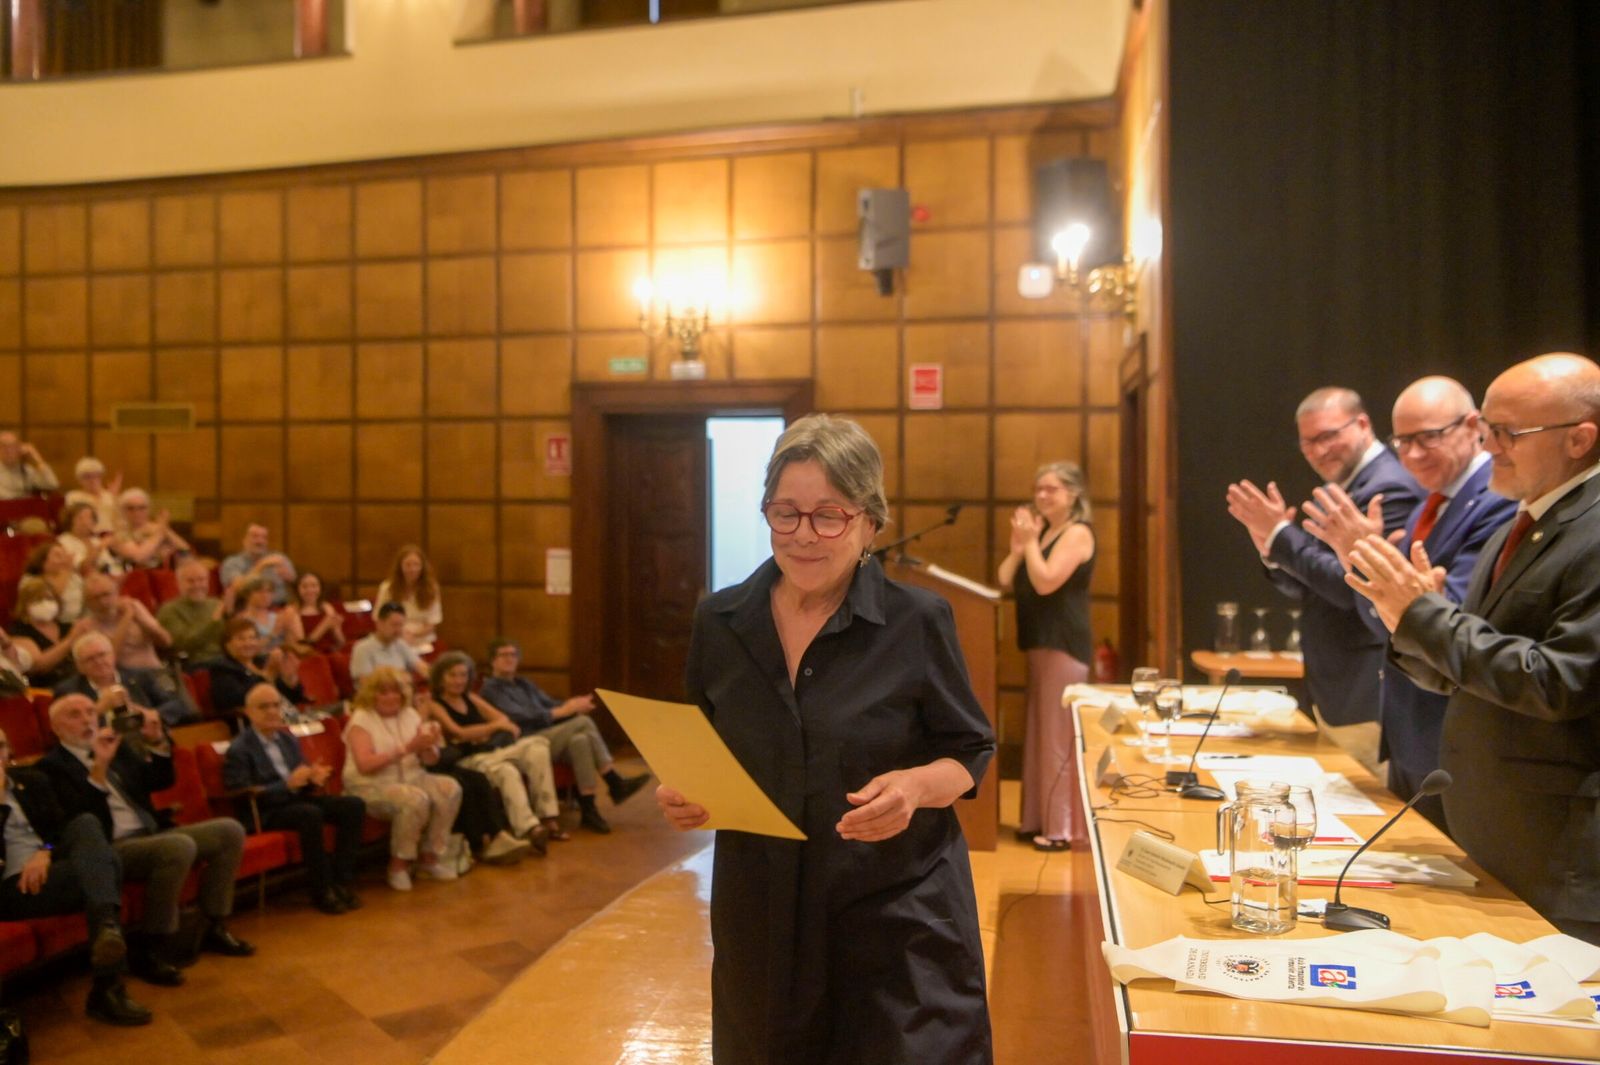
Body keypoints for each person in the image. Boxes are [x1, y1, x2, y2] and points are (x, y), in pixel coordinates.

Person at [655, 413, 995, 1065]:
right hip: (764, 914)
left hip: (894, 913)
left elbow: (970, 751)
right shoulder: (721, 621)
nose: (803, 535)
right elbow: (701, 746)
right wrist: (684, 792)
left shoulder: (917, 621)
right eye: (785, 513)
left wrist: (914, 787)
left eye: (827, 515)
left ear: (869, 520)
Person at [1345, 352, 1600, 945]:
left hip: (1562, 854)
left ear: (1579, 439)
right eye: (1487, 428)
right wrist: (1407, 622)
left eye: (1509, 431)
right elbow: (1474, 669)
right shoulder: (1527, 518)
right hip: (1501, 837)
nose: (1490, 445)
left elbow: (1557, 682)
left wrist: (1425, 618)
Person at [1300, 376, 1515, 831]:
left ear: (1473, 425)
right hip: (1409, 731)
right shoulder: (1429, 505)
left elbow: (1454, 616)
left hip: (1448, 733)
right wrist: (1364, 559)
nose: (1412, 455)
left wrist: (1365, 552)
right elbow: (1385, 618)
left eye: (1428, 438)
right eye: (1403, 441)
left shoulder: (1497, 503)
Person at [1226, 386, 1422, 774]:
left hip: (1369, 687)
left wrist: (1283, 535)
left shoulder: (1388, 486)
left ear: (1363, 424)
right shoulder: (1345, 488)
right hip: (1338, 687)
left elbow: (1355, 590)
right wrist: (1272, 547)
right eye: (1307, 443)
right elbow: (1310, 586)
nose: (1318, 451)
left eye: (1328, 436)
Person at [40, 694, 253, 986]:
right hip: (109, 850)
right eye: (74, 715)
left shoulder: (117, 746)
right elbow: (79, 824)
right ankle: (151, 946)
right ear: (55, 727)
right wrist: (99, 768)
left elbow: (160, 780)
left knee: (230, 830)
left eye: (90, 711)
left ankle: (212, 925)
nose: (87, 719)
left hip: (149, 833)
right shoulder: (50, 768)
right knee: (178, 847)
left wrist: (157, 742)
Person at [1, 727, 151, 1026]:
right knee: (107, 864)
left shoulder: (31, 782)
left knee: (85, 823)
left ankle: (107, 943)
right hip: (12, 887)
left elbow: (60, 828)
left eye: (1, 746)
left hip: (53, 872)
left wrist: (45, 851)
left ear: (8, 752)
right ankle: (107, 988)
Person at [996, 461, 1095, 852]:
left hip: (1063, 643)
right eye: (1038, 489)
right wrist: (1020, 547)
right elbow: (1006, 577)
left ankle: (1062, 829)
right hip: (1038, 641)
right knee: (1039, 732)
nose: (1041, 496)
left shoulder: (1078, 533)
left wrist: (1031, 544)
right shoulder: (1045, 533)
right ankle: (1036, 819)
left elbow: (1047, 580)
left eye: (1050, 490)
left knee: (1057, 736)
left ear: (1072, 494)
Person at [479, 639, 651, 834]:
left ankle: (589, 809)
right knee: (583, 723)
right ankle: (613, 779)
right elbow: (519, 719)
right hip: (524, 742)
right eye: (504, 655)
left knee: (581, 741)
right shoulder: (491, 689)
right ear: (493, 660)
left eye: (513, 655)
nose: (510, 659)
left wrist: (572, 705)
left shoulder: (523, 683)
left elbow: (550, 704)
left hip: (547, 735)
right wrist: (564, 711)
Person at [223, 683, 366, 915]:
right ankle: (321, 890)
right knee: (309, 814)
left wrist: (313, 777)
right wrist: (286, 784)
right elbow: (240, 792)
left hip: (295, 800)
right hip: (266, 810)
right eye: (263, 707)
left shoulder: (287, 739)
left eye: (275, 705)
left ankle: (340, 880)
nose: (271, 711)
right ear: (248, 713)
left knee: (352, 805)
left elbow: (300, 778)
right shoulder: (239, 748)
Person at [342, 668, 462, 890]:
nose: (391, 697)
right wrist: (407, 748)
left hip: (412, 776)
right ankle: (399, 865)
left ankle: (430, 858)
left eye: (395, 692)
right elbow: (365, 765)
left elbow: (430, 761)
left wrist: (430, 746)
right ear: (372, 695)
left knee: (449, 788)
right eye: (383, 692)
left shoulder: (410, 714)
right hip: (370, 785)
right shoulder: (362, 720)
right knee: (414, 799)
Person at [424, 651, 553, 852]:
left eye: (463, 675)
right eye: (452, 675)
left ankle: (543, 818)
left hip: (488, 752)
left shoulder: (471, 698)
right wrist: (490, 729)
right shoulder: (434, 704)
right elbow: (459, 732)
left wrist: (483, 732)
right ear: (440, 677)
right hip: (466, 759)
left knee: (538, 746)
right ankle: (532, 826)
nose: (458, 680)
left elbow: (503, 719)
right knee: (508, 770)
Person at [56, 633, 195, 728]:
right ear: (79, 667)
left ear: (113, 656)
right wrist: (98, 709)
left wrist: (153, 715)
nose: (98, 662)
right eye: (90, 659)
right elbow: (66, 729)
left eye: (102, 655)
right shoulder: (69, 691)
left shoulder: (140, 677)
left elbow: (178, 705)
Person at [204, 617, 305, 718]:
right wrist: (266, 676)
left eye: (252, 638)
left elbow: (295, 699)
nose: (248, 643)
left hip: (288, 717)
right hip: (252, 723)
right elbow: (237, 699)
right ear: (227, 644)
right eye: (241, 639)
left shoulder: (262, 662)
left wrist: (290, 679)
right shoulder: (222, 668)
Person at [9, 577, 92, 690]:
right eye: (38, 600)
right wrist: (71, 639)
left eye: (49, 598)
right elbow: (38, 666)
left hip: (79, 683)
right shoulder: (19, 631)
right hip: (45, 689)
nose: (45, 603)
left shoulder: (67, 627)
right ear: (25, 605)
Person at [79, 572, 171, 672]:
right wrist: (127, 617)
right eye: (95, 598)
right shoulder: (87, 625)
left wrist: (141, 620)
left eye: (106, 594)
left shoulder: (133, 605)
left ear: (116, 593)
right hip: (124, 677)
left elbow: (166, 641)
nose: (103, 602)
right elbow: (111, 656)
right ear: (87, 603)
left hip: (153, 670)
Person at [156, 558, 231, 665]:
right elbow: (183, 645)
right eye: (190, 581)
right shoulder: (169, 610)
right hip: (196, 665)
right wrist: (215, 619)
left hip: (226, 661)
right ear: (178, 583)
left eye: (201, 580)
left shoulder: (216, 603)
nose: (197, 585)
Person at [375, 545, 442, 654]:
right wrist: (400, 634)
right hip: (394, 638)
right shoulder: (387, 588)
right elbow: (379, 619)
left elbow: (432, 624)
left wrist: (413, 635)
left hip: (422, 640)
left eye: (416, 565)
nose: (412, 569)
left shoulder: (432, 589)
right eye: (408, 565)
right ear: (400, 567)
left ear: (422, 567)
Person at [109, 489, 190, 571]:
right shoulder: (119, 533)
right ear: (123, 511)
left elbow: (185, 550)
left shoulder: (158, 527)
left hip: (162, 574)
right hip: (133, 577)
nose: (136, 512)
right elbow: (138, 557)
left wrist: (165, 529)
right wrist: (160, 534)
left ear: (149, 509)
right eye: (130, 508)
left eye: (142, 508)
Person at [348, 602, 428, 684]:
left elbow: (422, 668)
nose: (398, 630)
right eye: (394, 625)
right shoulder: (362, 648)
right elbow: (365, 683)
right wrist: (401, 678)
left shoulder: (400, 644)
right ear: (379, 624)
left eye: (401, 625)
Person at [219, 524, 295, 607]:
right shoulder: (232, 562)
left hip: (281, 607)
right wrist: (261, 565)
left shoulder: (279, 558)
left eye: (264, 537)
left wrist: (288, 575)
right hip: (247, 609)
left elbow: (294, 580)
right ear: (244, 540)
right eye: (255, 536)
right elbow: (239, 587)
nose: (260, 541)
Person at [282, 570, 346, 655]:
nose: (310, 590)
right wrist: (325, 625)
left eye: (314, 586)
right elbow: (303, 645)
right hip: (305, 655)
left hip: (327, 652)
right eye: (305, 587)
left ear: (320, 588)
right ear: (297, 589)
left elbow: (341, 642)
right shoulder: (292, 610)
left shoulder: (326, 607)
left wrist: (337, 627)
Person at [25, 541, 86, 624]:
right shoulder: (30, 580)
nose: (65, 559)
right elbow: (52, 598)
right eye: (58, 555)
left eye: (65, 554)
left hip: (77, 622)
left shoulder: (73, 577)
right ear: (43, 562)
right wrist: (67, 570)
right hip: (48, 625)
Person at [63, 457, 121, 533]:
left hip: (111, 535)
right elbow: (75, 521)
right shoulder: (73, 497)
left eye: (96, 476)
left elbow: (121, 519)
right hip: (88, 535)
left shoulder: (110, 495)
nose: (92, 480)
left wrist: (116, 498)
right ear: (79, 480)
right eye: (87, 477)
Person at [232, 577, 290, 651]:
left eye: (269, 591)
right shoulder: (241, 620)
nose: (265, 595)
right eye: (259, 591)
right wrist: (274, 633)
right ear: (248, 594)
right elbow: (246, 650)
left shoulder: (277, 617)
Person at [57, 500, 113, 577]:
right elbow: (83, 569)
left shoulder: (95, 540)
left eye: (89, 517)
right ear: (70, 520)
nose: (85, 522)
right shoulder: (64, 541)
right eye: (80, 518)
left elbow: (108, 565)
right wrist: (99, 548)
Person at [0, 431, 60, 499]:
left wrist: (37, 458)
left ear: (20, 448)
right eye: (4, 446)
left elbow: (52, 484)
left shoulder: (26, 470)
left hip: (22, 508)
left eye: (14, 446)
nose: (9, 450)